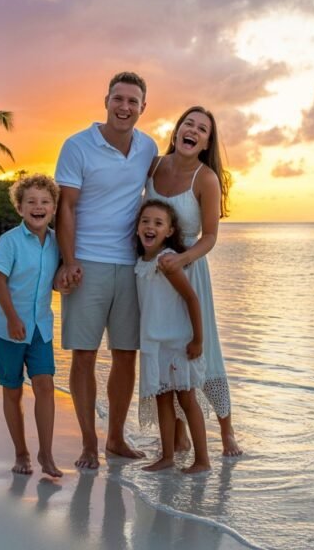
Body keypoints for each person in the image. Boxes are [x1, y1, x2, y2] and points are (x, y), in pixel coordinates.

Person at [54, 71, 158, 469]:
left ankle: (115, 438)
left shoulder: (147, 148)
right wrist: (68, 260)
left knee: (126, 355)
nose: (125, 107)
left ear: (143, 108)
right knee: (83, 355)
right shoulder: (78, 145)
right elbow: (67, 206)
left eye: (133, 101)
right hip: (87, 263)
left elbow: (167, 183)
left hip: (132, 265)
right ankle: (86, 442)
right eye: (119, 98)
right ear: (106, 100)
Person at [146, 106, 243, 456]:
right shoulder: (154, 165)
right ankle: (180, 434)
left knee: (204, 350)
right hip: (156, 276)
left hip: (189, 270)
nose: (193, 130)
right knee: (168, 351)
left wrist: (182, 260)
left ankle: (227, 430)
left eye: (202, 129)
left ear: (205, 143)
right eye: (189, 123)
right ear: (177, 131)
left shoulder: (206, 178)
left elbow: (210, 236)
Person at [0, 174, 63, 478]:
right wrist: (12, 318)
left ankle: (46, 453)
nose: (38, 206)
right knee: (13, 390)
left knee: (45, 386)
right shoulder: (10, 241)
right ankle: (21, 452)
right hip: (7, 328)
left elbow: (55, 280)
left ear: (54, 207)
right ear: (20, 207)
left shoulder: (58, 242)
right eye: (31, 201)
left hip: (41, 328)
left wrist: (66, 282)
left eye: (45, 201)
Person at [134, 199, 211, 474]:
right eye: (145, 221)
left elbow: (191, 298)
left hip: (178, 342)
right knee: (162, 399)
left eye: (158, 223)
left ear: (169, 231)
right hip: (154, 343)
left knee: (187, 399)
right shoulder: (141, 262)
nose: (150, 227)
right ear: (137, 227)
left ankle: (202, 459)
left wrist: (198, 340)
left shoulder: (167, 261)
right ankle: (167, 456)